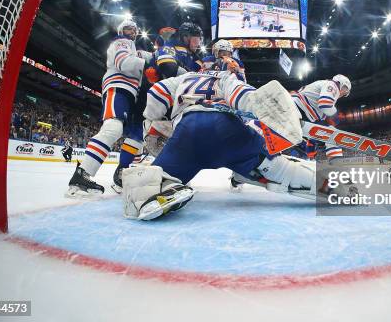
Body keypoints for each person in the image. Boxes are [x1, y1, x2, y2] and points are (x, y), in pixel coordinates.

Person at [121, 70, 308, 221]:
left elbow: (156, 93)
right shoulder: (225, 76)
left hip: (189, 134)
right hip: (230, 131)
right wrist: (273, 114)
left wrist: (153, 118)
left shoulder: (184, 78)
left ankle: (169, 187)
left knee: (147, 188)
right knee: (281, 170)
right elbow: (243, 96)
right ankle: (333, 184)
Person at [66, 19, 152, 197]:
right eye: (129, 28)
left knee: (137, 135)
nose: (132, 32)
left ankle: (122, 173)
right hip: (118, 87)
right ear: (122, 30)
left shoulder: (135, 48)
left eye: (135, 30)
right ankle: (81, 176)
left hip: (131, 94)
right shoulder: (121, 42)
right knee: (113, 128)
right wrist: (149, 64)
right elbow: (125, 64)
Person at [111, 29, 180, 193]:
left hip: (162, 100)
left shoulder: (163, 56)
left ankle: (167, 174)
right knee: (137, 135)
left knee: (152, 136)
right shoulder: (145, 55)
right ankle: (122, 170)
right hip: (146, 98)